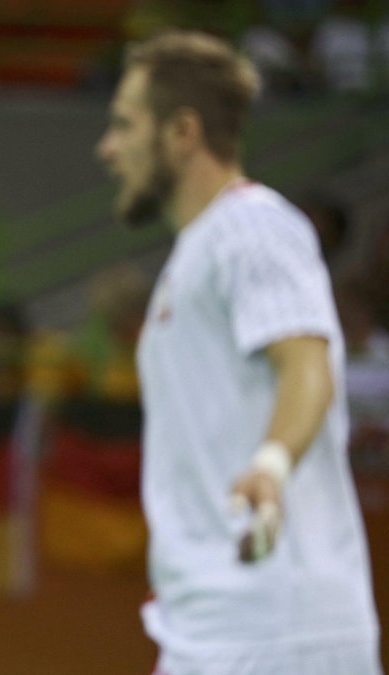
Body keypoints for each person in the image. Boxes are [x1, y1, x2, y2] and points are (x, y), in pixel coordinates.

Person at [96, 30, 380, 674]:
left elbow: (305, 362)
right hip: (219, 626)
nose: (107, 149)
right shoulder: (196, 254)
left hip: (277, 628)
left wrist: (272, 466)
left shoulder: (252, 225)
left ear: (182, 132)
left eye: (124, 125)